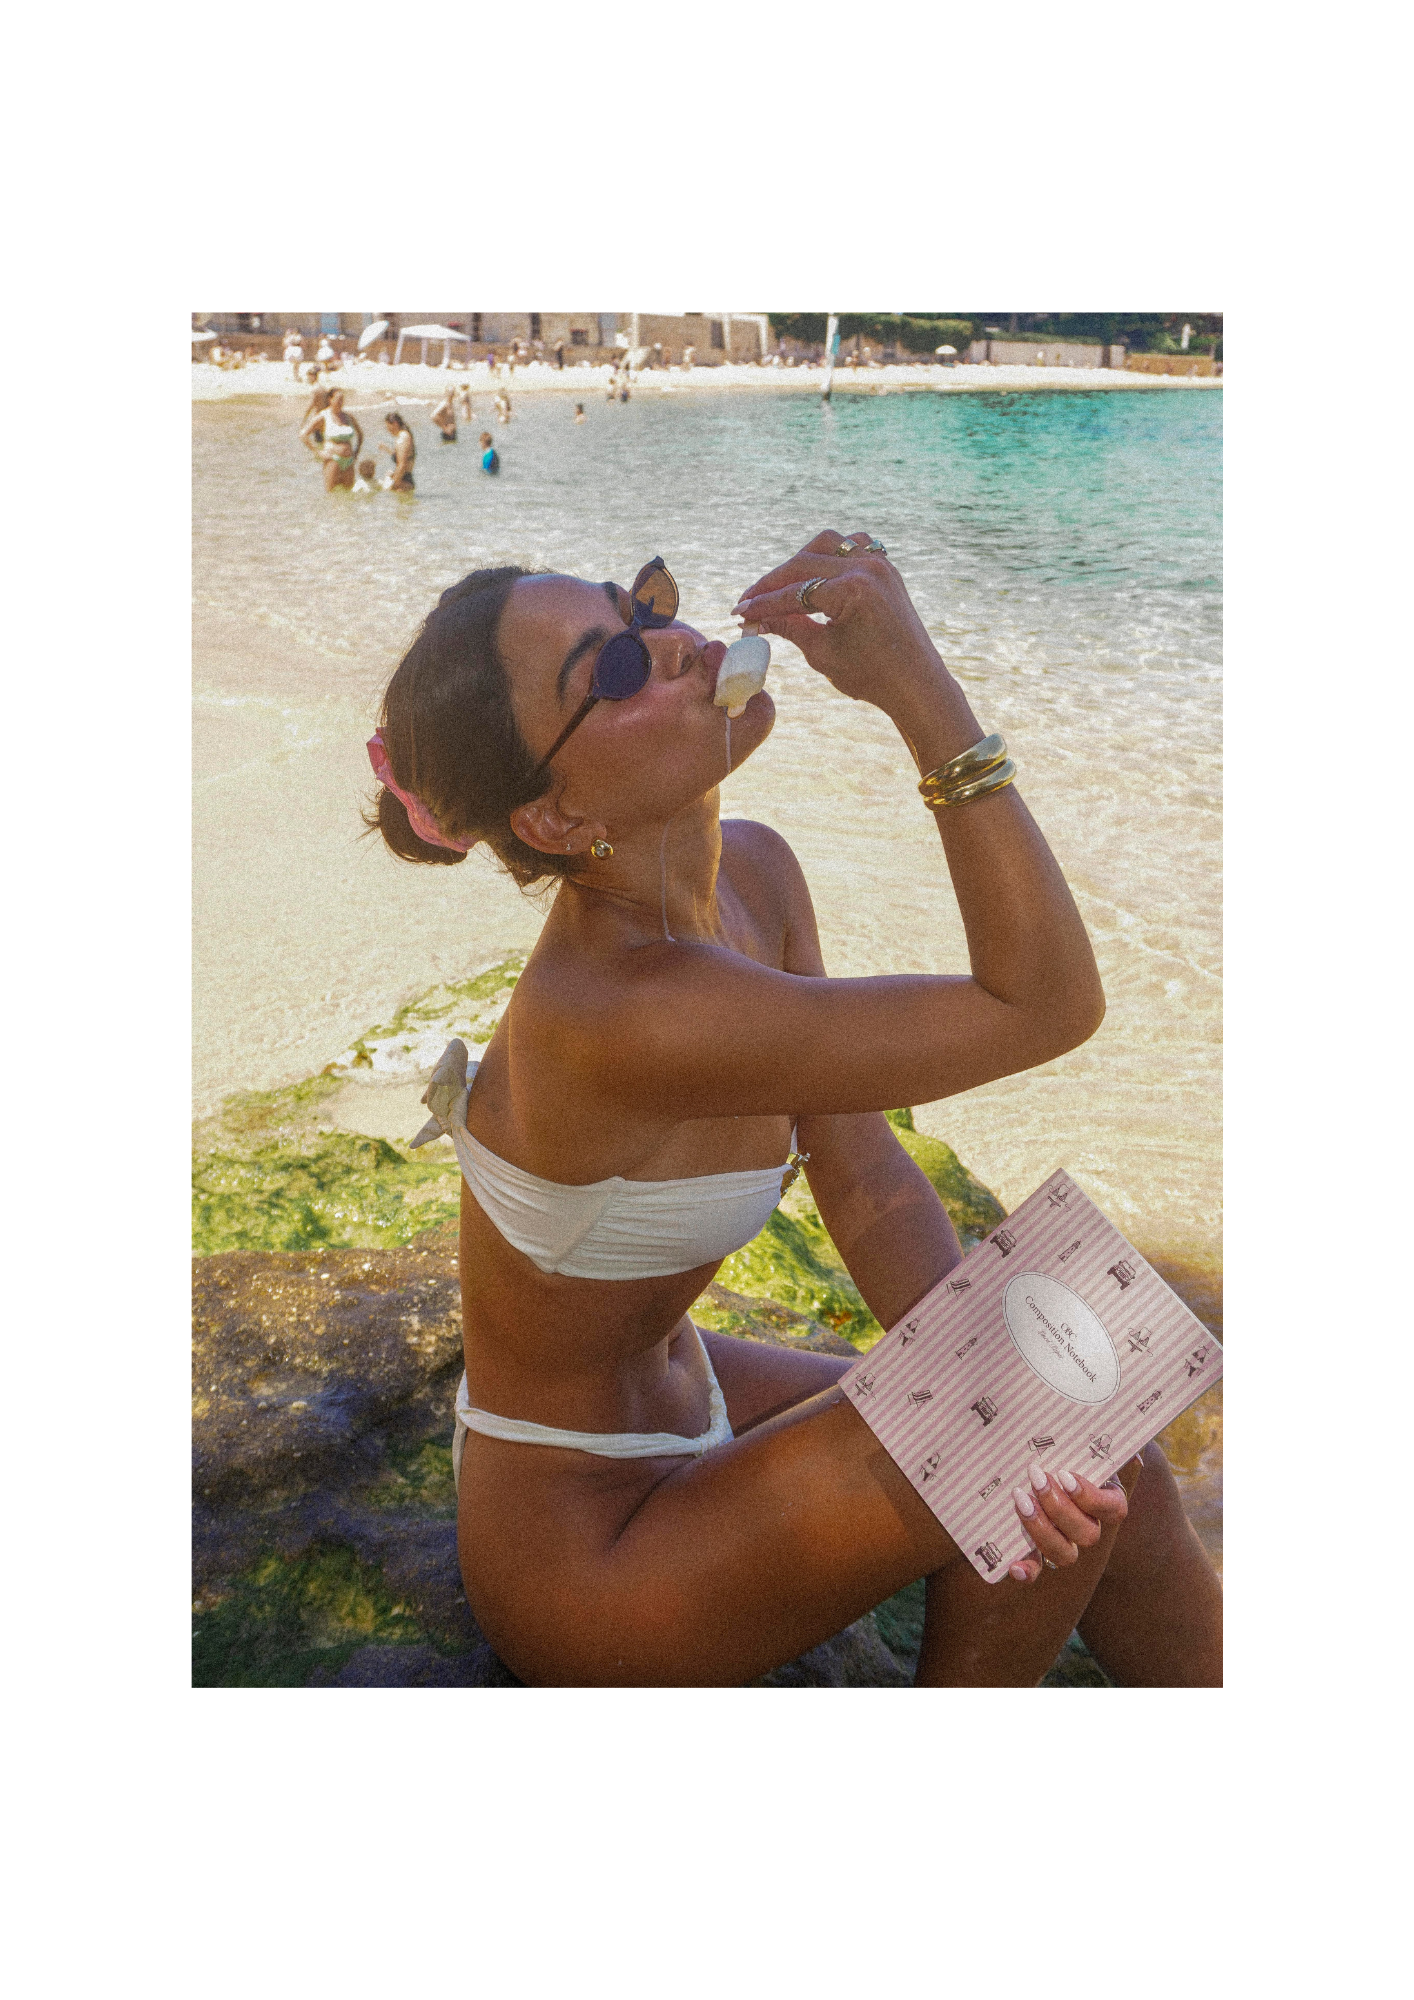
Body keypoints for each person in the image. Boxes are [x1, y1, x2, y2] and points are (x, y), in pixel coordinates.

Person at [362, 540, 1223, 1687]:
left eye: (643, 605)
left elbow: (860, 1173)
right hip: (587, 1552)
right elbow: (1046, 1003)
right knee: (1054, 1432)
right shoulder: (627, 1010)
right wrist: (916, 686)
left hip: (691, 1396)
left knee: (1092, 1425)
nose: (672, 645)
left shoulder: (755, 877)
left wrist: (999, 1393)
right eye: (613, 669)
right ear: (559, 817)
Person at [300, 384, 362, 490]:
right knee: (331, 494)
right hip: (333, 459)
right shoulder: (323, 416)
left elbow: (360, 434)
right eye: (338, 399)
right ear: (330, 399)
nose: (340, 402)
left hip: (349, 461)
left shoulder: (348, 417)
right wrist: (318, 452)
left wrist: (356, 452)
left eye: (342, 399)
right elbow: (303, 435)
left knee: (348, 495)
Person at [381, 409, 416, 489]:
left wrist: (393, 485)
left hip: (403, 483)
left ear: (395, 424)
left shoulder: (403, 437)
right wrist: (386, 449)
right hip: (404, 479)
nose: (387, 429)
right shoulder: (404, 436)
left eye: (388, 426)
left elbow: (402, 465)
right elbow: (400, 457)